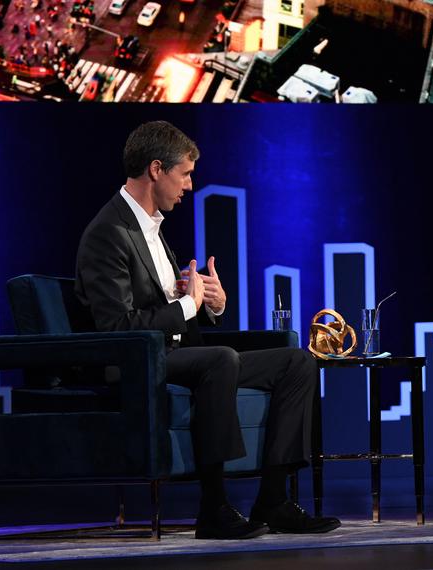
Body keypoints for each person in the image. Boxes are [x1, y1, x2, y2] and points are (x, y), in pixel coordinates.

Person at [75, 121, 340, 539]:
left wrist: (209, 303)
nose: (189, 186)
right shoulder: (107, 233)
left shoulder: (152, 228)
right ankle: (213, 507)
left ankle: (273, 499)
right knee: (220, 359)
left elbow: (168, 304)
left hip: (180, 355)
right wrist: (186, 304)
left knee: (296, 362)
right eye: (185, 174)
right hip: (140, 362)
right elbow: (117, 328)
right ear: (157, 169)